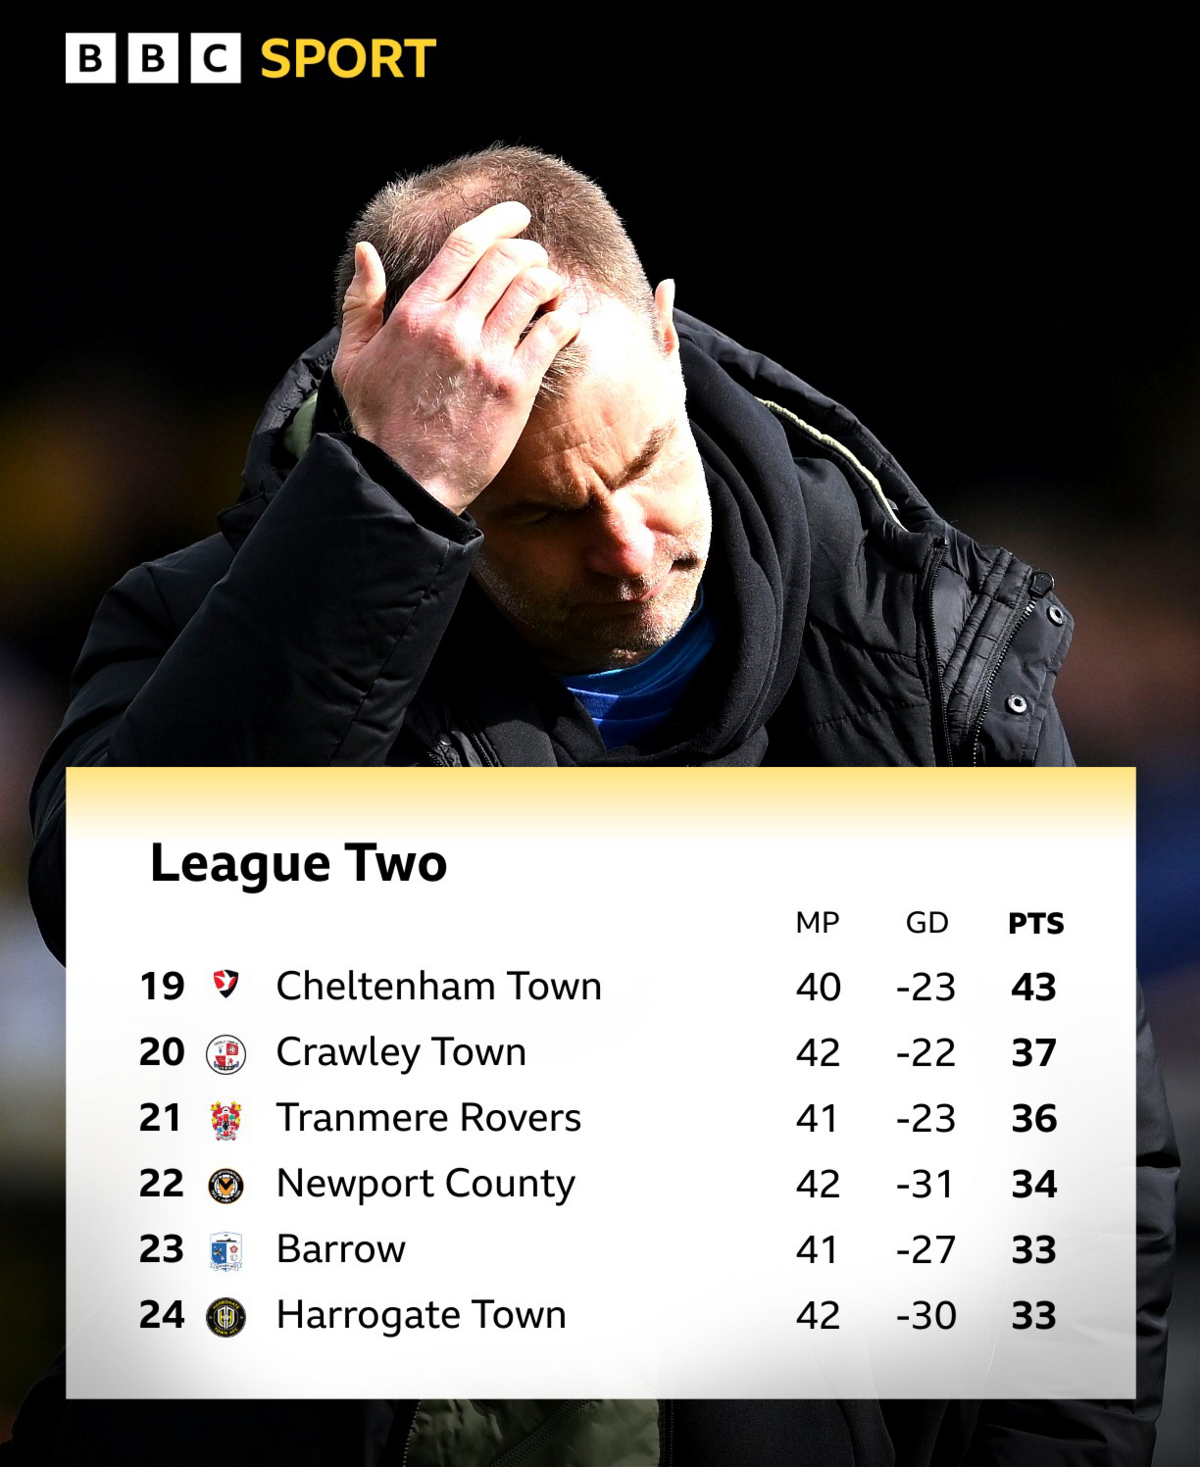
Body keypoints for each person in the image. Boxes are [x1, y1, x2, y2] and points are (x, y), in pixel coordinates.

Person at [15, 149, 1177, 1465]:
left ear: (672, 338)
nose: (625, 546)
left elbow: (1078, 1175)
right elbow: (121, 918)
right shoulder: (208, 618)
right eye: (543, 514)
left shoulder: (924, 646)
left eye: (641, 463)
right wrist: (385, 507)